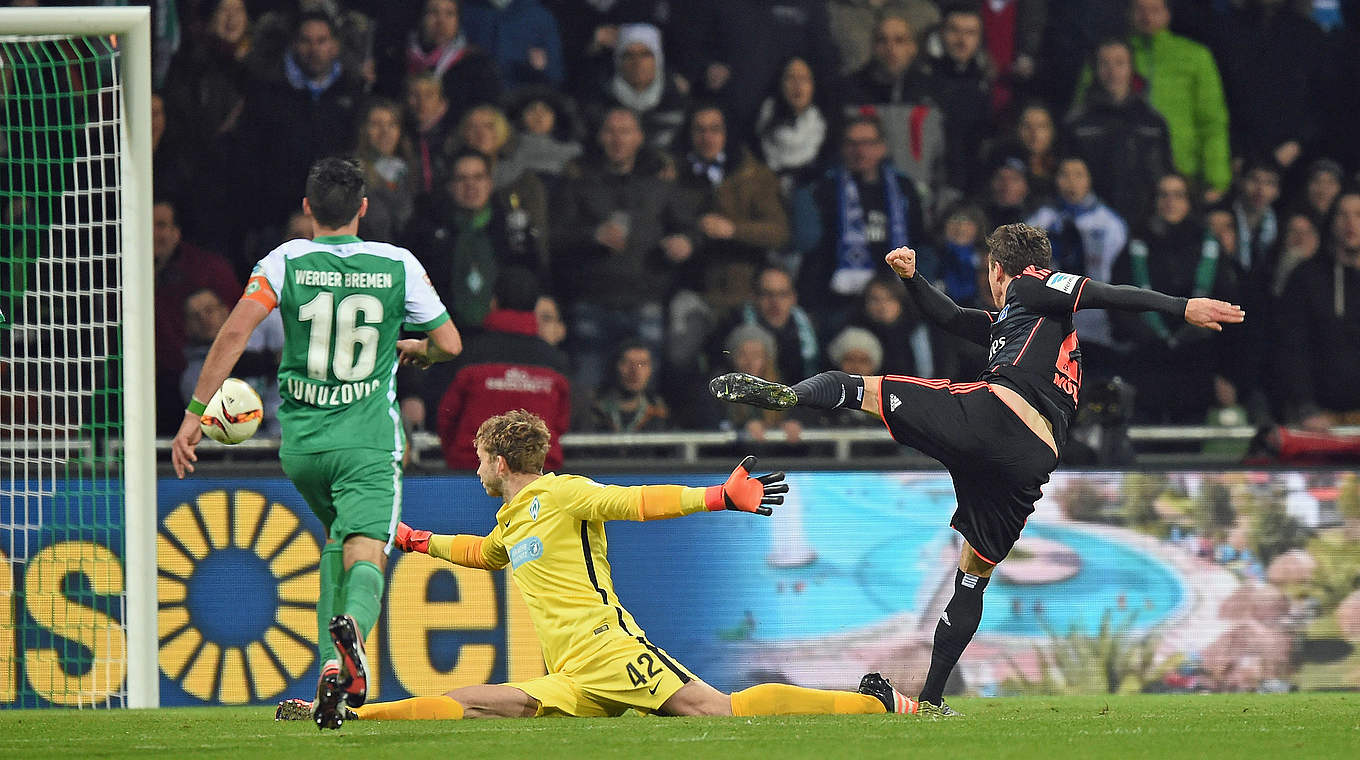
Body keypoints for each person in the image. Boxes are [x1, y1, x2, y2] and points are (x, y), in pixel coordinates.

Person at [710, 223, 1243, 713]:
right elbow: (946, 317)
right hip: (1029, 464)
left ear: (997, 269)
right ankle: (930, 700)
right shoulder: (1022, 324)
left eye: (988, 271)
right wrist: (912, 277)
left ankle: (787, 396)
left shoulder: (1030, 286)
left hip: (997, 416)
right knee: (971, 577)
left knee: (856, 387)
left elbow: (1103, 293)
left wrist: (1182, 305)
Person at [275, 410, 920, 722]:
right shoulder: (513, 519)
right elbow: (484, 553)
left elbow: (638, 502)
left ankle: (876, 707)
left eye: (478, 457)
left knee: (717, 714)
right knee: (472, 706)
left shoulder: (561, 492)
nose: (474, 467)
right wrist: (418, 541)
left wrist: (719, 497)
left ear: (499, 461)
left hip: (608, 649)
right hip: (570, 671)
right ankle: (347, 715)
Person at [170, 157, 464, 730]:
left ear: (308, 209)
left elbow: (233, 332)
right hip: (369, 443)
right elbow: (449, 342)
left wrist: (194, 415)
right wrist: (417, 351)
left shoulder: (284, 260)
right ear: (363, 207)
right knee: (367, 551)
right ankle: (351, 644)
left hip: (301, 443)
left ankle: (332, 670)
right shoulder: (397, 263)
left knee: (336, 539)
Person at [432, 268, 572, 471]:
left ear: (493, 302)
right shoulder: (555, 362)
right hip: (536, 476)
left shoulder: (469, 354)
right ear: (534, 309)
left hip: (471, 472)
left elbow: (446, 417)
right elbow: (561, 424)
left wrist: (458, 459)